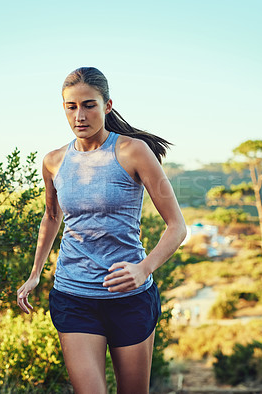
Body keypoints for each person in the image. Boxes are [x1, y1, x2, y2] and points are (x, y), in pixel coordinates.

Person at [17, 67, 186, 394]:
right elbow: (52, 217)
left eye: (89, 105)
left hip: (129, 298)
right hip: (73, 297)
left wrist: (144, 268)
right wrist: (35, 272)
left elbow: (177, 227)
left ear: (107, 105)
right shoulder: (53, 161)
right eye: (71, 106)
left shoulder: (133, 151)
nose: (80, 115)